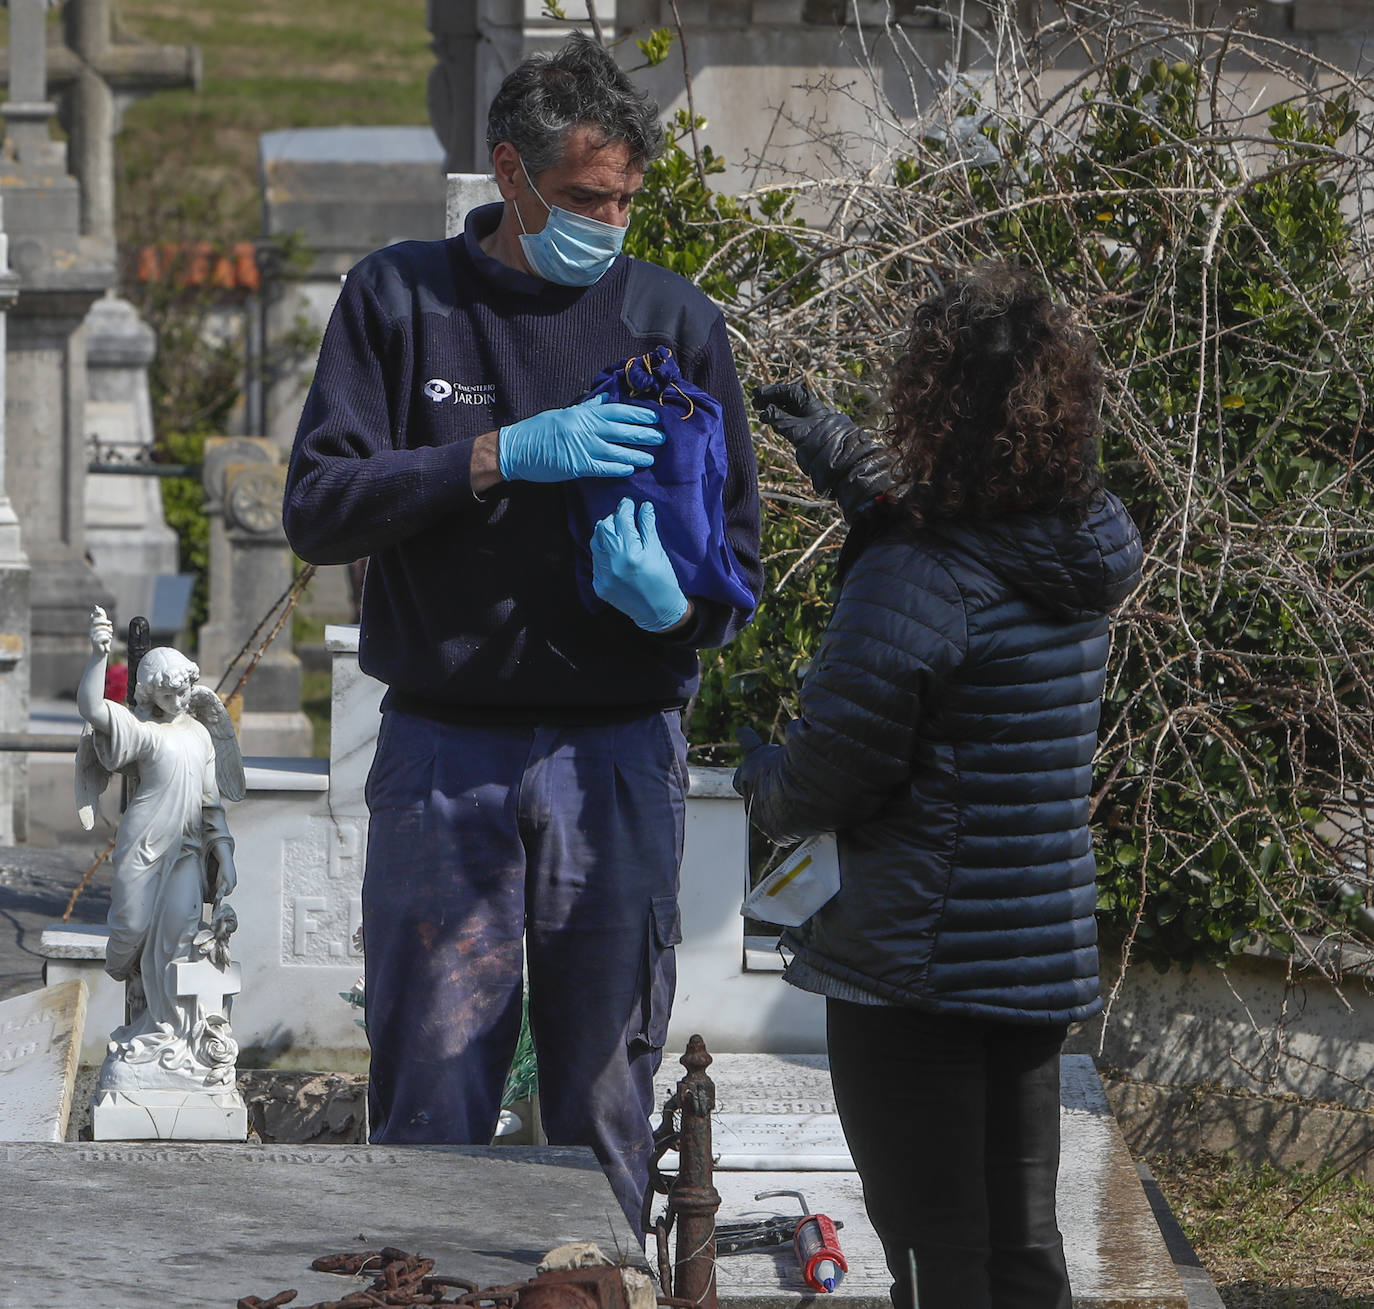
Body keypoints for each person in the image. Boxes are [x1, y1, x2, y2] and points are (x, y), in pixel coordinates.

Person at [282, 34, 761, 1231]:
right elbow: (319, 506)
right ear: (514, 175)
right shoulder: (401, 300)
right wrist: (491, 457)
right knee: (435, 1085)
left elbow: (738, 562)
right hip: (449, 753)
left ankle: (599, 1279)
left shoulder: (670, 320)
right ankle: (429, 1275)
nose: (610, 222)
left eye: (626, 200)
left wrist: (679, 608)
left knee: (605, 1084)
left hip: (617, 751)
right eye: (588, 197)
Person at [740, 266, 1143, 1309]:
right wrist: (838, 458)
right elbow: (953, 533)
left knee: (934, 1252)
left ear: (932, 407)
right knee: (1020, 1245)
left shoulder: (919, 580)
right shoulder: (1080, 540)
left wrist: (760, 782)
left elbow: (831, 776)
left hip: (917, 970)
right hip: (1031, 958)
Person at [76, 606, 245, 1090]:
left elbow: (212, 803)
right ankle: (139, 1012)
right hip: (143, 847)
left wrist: (225, 853)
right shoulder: (145, 734)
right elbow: (92, 709)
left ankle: (167, 1033)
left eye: (183, 691)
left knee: (177, 940)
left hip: (187, 854)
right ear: (150, 691)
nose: (178, 699)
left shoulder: (198, 734)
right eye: (168, 692)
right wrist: (98, 655)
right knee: (130, 929)